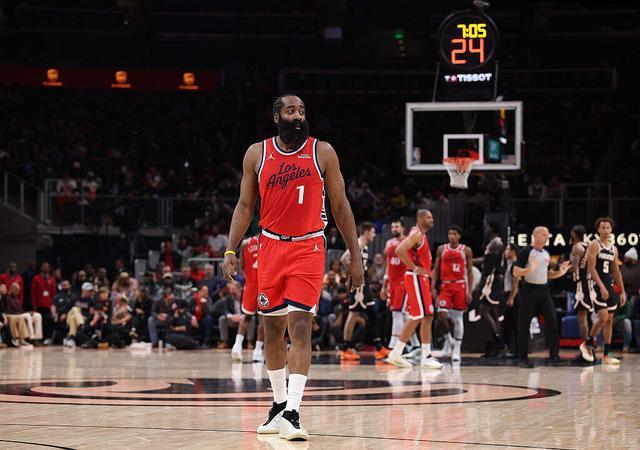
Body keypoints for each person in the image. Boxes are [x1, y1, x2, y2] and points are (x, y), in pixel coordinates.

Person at [221, 94, 364, 441]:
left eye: (301, 111)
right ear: (276, 117)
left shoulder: (322, 152)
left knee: (300, 326)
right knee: (271, 329)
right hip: (269, 246)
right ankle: (279, 404)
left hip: (308, 247)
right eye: (291, 111)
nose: (298, 116)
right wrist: (230, 248)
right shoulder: (257, 154)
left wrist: (356, 254)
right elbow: (244, 205)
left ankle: (294, 412)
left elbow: (340, 204)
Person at [384, 209, 442, 369]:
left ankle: (425, 355)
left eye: (432, 217)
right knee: (417, 315)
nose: (431, 219)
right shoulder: (416, 234)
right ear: (420, 218)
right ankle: (396, 353)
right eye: (428, 217)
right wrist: (414, 267)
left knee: (428, 315)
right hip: (415, 277)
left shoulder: (421, 235)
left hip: (421, 278)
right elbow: (399, 250)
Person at [513, 226, 571, 368]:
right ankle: (523, 358)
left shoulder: (546, 253)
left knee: (552, 322)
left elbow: (546, 274)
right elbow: (515, 272)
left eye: (547, 235)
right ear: (535, 235)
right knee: (524, 324)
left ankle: (554, 357)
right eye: (544, 234)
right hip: (529, 290)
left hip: (544, 291)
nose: (546, 237)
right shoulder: (526, 251)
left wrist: (560, 273)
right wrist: (529, 269)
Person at [339, 222, 389, 361]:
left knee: (373, 314)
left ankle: (379, 347)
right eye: (373, 232)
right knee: (353, 314)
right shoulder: (358, 244)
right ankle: (345, 349)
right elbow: (344, 258)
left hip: (364, 284)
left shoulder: (364, 246)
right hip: (358, 285)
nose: (374, 235)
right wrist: (353, 273)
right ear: (366, 232)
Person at [583, 217, 627, 364]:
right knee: (603, 317)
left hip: (610, 285)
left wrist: (622, 291)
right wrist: (601, 286)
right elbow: (591, 268)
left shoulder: (614, 248)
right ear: (598, 229)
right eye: (603, 228)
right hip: (596, 284)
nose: (606, 230)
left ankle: (606, 355)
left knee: (609, 320)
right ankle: (588, 342)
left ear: (611, 229)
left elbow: (616, 272)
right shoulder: (594, 245)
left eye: (608, 228)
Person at [431, 225, 473, 363]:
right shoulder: (441, 249)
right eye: (450, 234)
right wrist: (432, 287)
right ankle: (450, 341)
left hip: (460, 285)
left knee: (457, 318)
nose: (452, 236)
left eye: (455, 234)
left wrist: (469, 291)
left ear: (459, 236)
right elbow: (436, 269)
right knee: (441, 315)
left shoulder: (466, 250)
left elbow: (470, 271)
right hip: (445, 285)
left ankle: (456, 350)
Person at [232, 234, 265, 362]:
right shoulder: (271, 242)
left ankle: (237, 346)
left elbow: (241, 267)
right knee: (263, 319)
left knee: (247, 316)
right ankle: (257, 351)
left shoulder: (246, 243)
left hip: (250, 284)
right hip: (264, 284)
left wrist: (249, 278)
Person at [477, 222, 507, 355]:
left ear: (493, 229)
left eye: (488, 227)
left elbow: (491, 263)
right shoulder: (494, 242)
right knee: (494, 312)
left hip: (491, 278)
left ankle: (499, 341)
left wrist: (484, 277)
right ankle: (496, 345)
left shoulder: (496, 242)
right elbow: (486, 260)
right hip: (494, 278)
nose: (486, 230)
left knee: (483, 310)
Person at [568, 225, 594, 362]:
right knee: (587, 319)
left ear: (574, 234)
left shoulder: (577, 247)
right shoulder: (588, 246)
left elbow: (573, 268)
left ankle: (585, 350)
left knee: (582, 318)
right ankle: (590, 350)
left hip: (581, 285)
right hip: (590, 284)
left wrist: (560, 267)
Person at [0, 283, 33, 348]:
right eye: (2, 288)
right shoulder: (5, 297)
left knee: (20, 318)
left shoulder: (14, 298)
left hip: (7, 314)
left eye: (5, 288)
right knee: (14, 318)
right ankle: (14, 338)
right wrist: (4, 316)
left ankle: (22, 339)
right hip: (8, 314)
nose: (4, 289)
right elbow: (5, 309)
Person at [30, 262, 57, 339]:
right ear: (41, 268)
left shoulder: (52, 279)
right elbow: (33, 293)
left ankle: (47, 338)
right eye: (44, 267)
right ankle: (39, 338)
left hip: (48, 305)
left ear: (49, 268)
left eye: (47, 267)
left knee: (48, 322)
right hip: (39, 304)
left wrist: (53, 305)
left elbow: (53, 294)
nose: (45, 268)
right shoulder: (36, 278)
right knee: (39, 322)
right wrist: (34, 305)